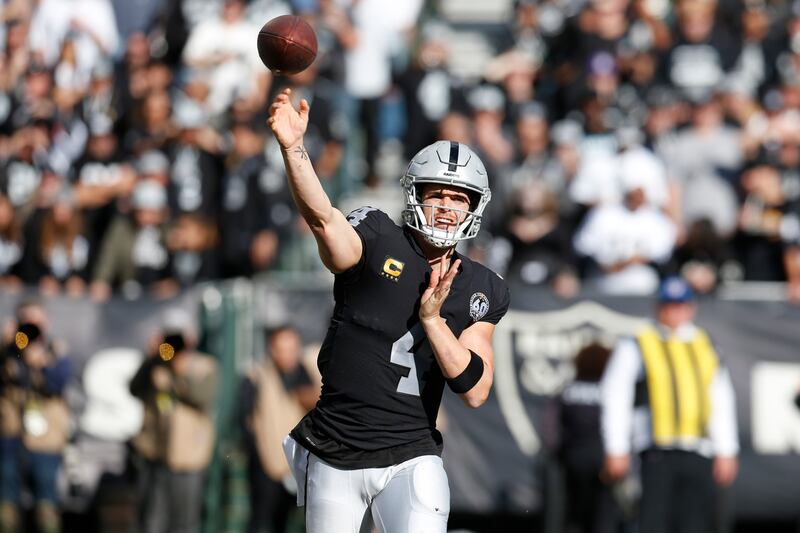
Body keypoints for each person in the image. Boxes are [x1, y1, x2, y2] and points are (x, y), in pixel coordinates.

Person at [268, 88, 510, 533]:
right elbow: (324, 221)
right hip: (335, 447)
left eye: (459, 199)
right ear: (415, 194)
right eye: (437, 194)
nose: (445, 208)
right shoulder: (377, 234)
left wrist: (433, 321)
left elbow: (475, 390)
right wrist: (293, 149)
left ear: (475, 208)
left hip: (411, 453)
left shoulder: (480, 285)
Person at [600, 276, 739, 533]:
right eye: (669, 304)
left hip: (698, 449)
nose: (674, 311)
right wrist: (616, 447)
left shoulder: (704, 343)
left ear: (691, 307)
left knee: (695, 523)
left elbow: (721, 398)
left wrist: (727, 448)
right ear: (658, 307)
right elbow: (615, 395)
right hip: (655, 450)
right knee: (653, 520)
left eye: (680, 304)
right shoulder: (640, 342)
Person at [128, 310, 218, 533]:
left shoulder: (203, 366)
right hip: (155, 456)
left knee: (184, 523)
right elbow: (134, 388)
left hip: (187, 460)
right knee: (151, 522)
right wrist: (151, 358)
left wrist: (180, 372)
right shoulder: (156, 365)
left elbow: (202, 397)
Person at [0, 299, 72, 533]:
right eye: (26, 321)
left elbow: (57, 383)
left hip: (46, 440)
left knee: (46, 505)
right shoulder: (9, 351)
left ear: (46, 323)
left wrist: (40, 362)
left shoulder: (55, 350)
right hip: (10, 437)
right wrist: (9, 347)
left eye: (36, 321)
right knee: (7, 506)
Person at [241, 325, 320, 533]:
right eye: (281, 349)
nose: (287, 355)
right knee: (261, 520)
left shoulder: (309, 372)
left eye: (292, 348)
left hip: (300, 465)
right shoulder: (257, 376)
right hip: (267, 464)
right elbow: (246, 420)